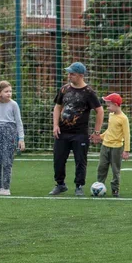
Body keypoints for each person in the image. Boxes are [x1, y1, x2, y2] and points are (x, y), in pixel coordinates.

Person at [51, 62, 104, 197]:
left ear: (81, 75)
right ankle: (60, 184)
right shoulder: (64, 89)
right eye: (69, 73)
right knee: (58, 159)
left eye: (72, 74)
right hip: (62, 132)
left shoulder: (89, 92)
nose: (69, 76)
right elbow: (57, 107)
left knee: (80, 160)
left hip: (80, 133)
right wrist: (55, 125)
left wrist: (97, 132)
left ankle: (79, 186)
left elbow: (100, 111)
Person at [0, 80, 24, 196]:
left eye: (10, 91)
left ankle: (6, 187)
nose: (9, 93)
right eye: (6, 91)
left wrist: (21, 139)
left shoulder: (13, 105)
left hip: (10, 133)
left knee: (6, 161)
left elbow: (18, 122)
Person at [96, 92, 130, 197]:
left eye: (109, 105)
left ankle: (115, 189)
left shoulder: (123, 119)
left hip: (117, 148)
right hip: (105, 146)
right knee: (102, 166)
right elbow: (109, 130)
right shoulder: (111, 115)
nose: (107, 108)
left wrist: (126, 150)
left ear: (115, 105)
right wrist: (100, 136)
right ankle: (99, 186)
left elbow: (127, 134)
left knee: (115, 169)